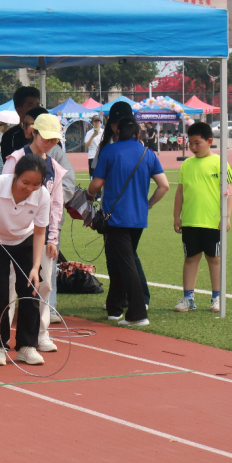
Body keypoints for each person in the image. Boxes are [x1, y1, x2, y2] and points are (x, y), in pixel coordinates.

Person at [0, 154, 50, 366]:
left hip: (25, 239)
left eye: (36, 184)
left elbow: (40, 232)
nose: (30, 188)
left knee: (30, 290)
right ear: (15, 176)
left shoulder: (42, 195)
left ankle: (27, 346)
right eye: (25, 182)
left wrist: (35, 266)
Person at [87, 118, 169, 327]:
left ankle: (137, 313)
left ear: (117, 132)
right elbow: (164, 186)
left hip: (115, 217)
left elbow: (96, 185)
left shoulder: (109, 151)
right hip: (138, 217)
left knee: (124, 263)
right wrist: (148, 204)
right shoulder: (148, 154)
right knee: (120, 260)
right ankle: (114, 308)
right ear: (138, 134)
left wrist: (88, 194)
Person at [2, 113, 67, 352]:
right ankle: (2, 337)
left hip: (42, 233)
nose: (50, 143)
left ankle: (41, 333)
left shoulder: (55, 168)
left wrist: (53, 237)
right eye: (46, 137)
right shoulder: (16, 160)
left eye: (54, 139)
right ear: (34, 133)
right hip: (15, 233)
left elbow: (56, 204)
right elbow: (3, 193)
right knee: (10, 285)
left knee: (45, 283)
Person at [173, 121, 232, 314]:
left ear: (209, 141)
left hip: (212, 222)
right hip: (190, 221)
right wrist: (176, 216)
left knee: (214, 259)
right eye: (190, 143)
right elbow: (180, 192)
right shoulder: (187, 164)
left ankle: (217, 297)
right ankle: (188, 298)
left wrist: (226, 216)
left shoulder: (220, 162)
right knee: (190, 258)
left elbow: (229, 191)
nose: (193, 147)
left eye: (197, 143)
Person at [0, 86, 41, 159]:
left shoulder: (48, 134)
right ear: (18, 109)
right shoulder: (9, 137)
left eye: (38, 105)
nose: (36, 109)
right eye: (30, 105)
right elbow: (9, 163)